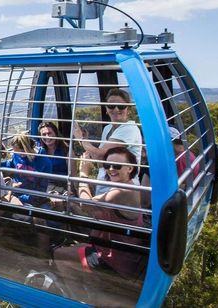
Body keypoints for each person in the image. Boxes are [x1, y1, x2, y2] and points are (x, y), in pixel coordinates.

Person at [55, 147, 146, 280]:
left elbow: (85, 204)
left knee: (58, 253)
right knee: (77, 246)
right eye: (107, 165)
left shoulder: (120, 192)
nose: (110, 169)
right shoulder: (130, 185)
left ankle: (75, 296)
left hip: (116, 260)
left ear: (130, 169)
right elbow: (98, 212)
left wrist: (83, 173)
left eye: (117, 166)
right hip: (124, 252)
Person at [73, 89, 142, 195]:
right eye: (111, 106)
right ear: (106, 108)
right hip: (105, 181)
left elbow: (101, 153)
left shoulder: (129, 129)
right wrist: (85, 139)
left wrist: (80, 139)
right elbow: (98, 158)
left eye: (121, 106)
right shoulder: (108, 128)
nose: (116, 109)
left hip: (122, 185)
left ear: (128, 109)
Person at [0, 132, 52, 206]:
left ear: (27, 148)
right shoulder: (17, 154)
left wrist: (24, 198)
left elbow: (42, 187)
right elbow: (11, 164)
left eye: (21, 153)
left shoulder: (44, 163)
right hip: (16, 190)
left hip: (34, 197)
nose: (19, 155)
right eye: (16, 152)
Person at [37, 122, 71, 191]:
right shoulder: (38, 151)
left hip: (62, 185)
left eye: (49, 133)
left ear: (56, 133)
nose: (47, 137)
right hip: (45, 185)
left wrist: (71, 190)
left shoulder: (66, 150)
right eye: (44, 134)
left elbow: (72, 175)